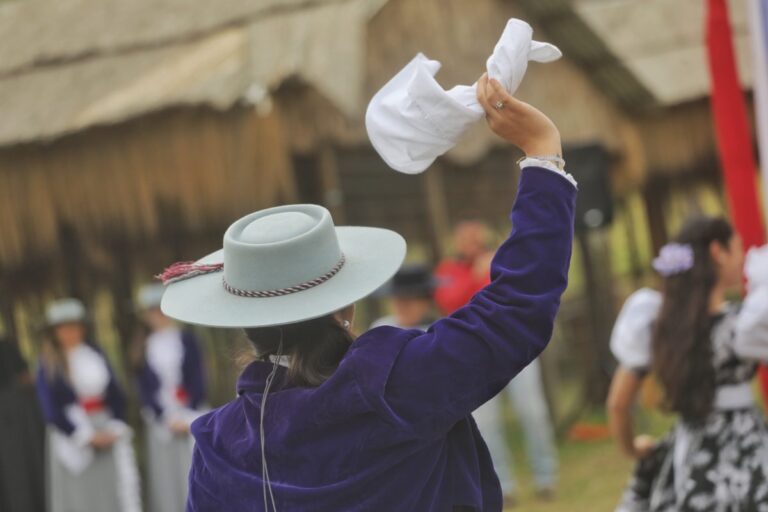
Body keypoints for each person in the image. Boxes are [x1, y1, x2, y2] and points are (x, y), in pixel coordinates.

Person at [159, 74, 576, 511]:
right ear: (345, 305)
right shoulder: (397, 383)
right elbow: (515, 308)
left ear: (245, 322)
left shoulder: (217, 445)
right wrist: (542, 152)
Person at [607, 217, 768, 511]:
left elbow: (618, 404)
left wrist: (631, 447)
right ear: (718, 252)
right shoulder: (743, 324)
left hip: (689, 458)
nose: (743, 256)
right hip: (747, 448)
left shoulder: (658, 325)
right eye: (738, 248)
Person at [435, 220, 559, 504]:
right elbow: (449, 301)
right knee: (486, 425)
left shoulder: (500, 260)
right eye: (464, 238)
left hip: (514, 347)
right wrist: (477, 276)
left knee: (533, 413)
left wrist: (488, 268)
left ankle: (546, 477)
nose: (471, 243)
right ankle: (503, 485)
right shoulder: (447, 271)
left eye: (475, 237)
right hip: (472, 356)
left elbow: (513, 295)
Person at [35, 298, 141, 512]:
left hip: (105, 428)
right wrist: (84, 436)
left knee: (110, 490)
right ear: (54, 332)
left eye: (74, 325)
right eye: (64, 328)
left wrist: (114, 425)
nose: (70, 332)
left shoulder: (96, 354)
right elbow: (51, 410)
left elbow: (116, 394)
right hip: (74, 435)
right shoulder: (48, 364)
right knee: (82, 496)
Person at [133, 283, 207, 512]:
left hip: (190, 413)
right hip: (162, 422)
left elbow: (198, 377)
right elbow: (144, 388)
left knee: (194, 468)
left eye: (162, 309)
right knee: (167, 476)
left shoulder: (188, 340)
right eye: (152, 311)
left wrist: (187, 413)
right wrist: (165, 417)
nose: (158, 315)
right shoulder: (142, 347)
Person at [0, 336, 46, 512]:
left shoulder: (6, 347)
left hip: (19, 419)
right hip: (21, 417)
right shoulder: (7, 346)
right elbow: (26, 378)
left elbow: (25, 377)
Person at [370, 264, 440, 330]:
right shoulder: (381, 328)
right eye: (398, 300)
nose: (402, 306)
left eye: (408, 301)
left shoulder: (438, 332)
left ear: (425, 302)